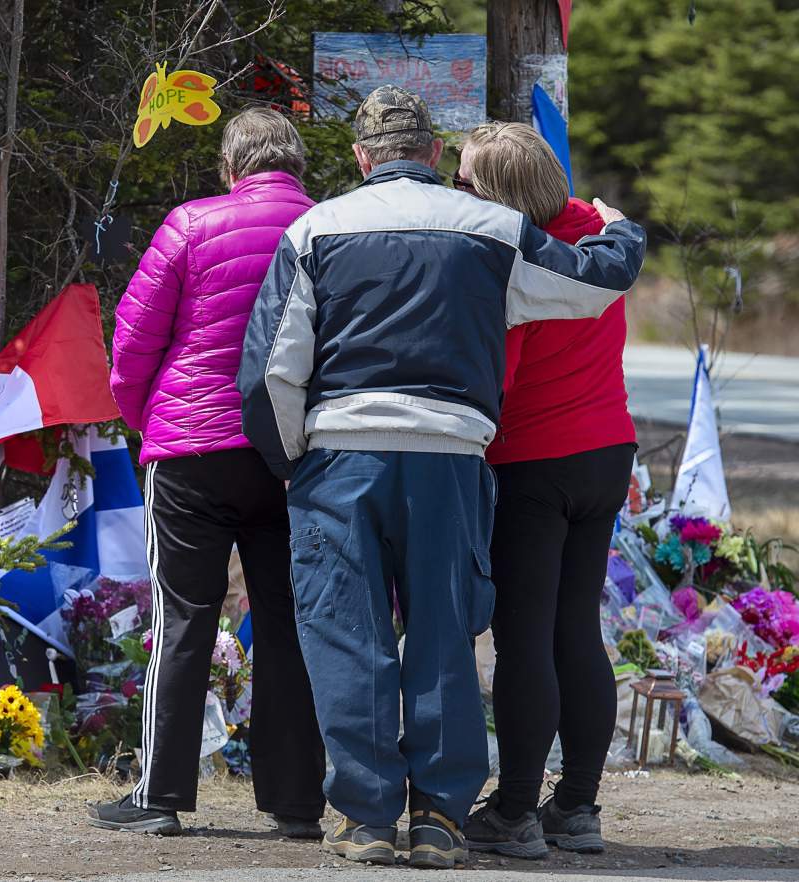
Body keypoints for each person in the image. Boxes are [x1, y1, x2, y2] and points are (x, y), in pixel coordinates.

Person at [237, 85, 646, 869]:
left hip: (341, 458)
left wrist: (294, 461)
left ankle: (364, 819)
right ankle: (442, 820)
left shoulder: (314, 227)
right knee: (445, 639)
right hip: (452, 457)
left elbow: (268, 373)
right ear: (432, 155)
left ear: (361, 159)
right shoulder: (494, 228)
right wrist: (624, 230)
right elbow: (596, 280)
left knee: (348, 638)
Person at [88, 107, 326, 837]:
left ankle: (159, 796)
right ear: (297, 167)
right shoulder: (330, 226)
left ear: (229, 168)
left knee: (183, 616)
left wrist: (148, 419)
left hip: (190, 448)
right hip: (292, 452)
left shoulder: (191, 224)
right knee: (289, 622)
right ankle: (295, 803)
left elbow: (132, 342)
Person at [458, 123, 637, 859]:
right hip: (608, 452)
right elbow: (624, 233)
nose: (459, 191)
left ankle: (513, 812)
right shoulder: (595, 231)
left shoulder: (520, 261)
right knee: (576, 631)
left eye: (468, 180)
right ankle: (579, 805)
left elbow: (498, 378)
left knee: (524, 637)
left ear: (499, 191)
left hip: (534, 460)